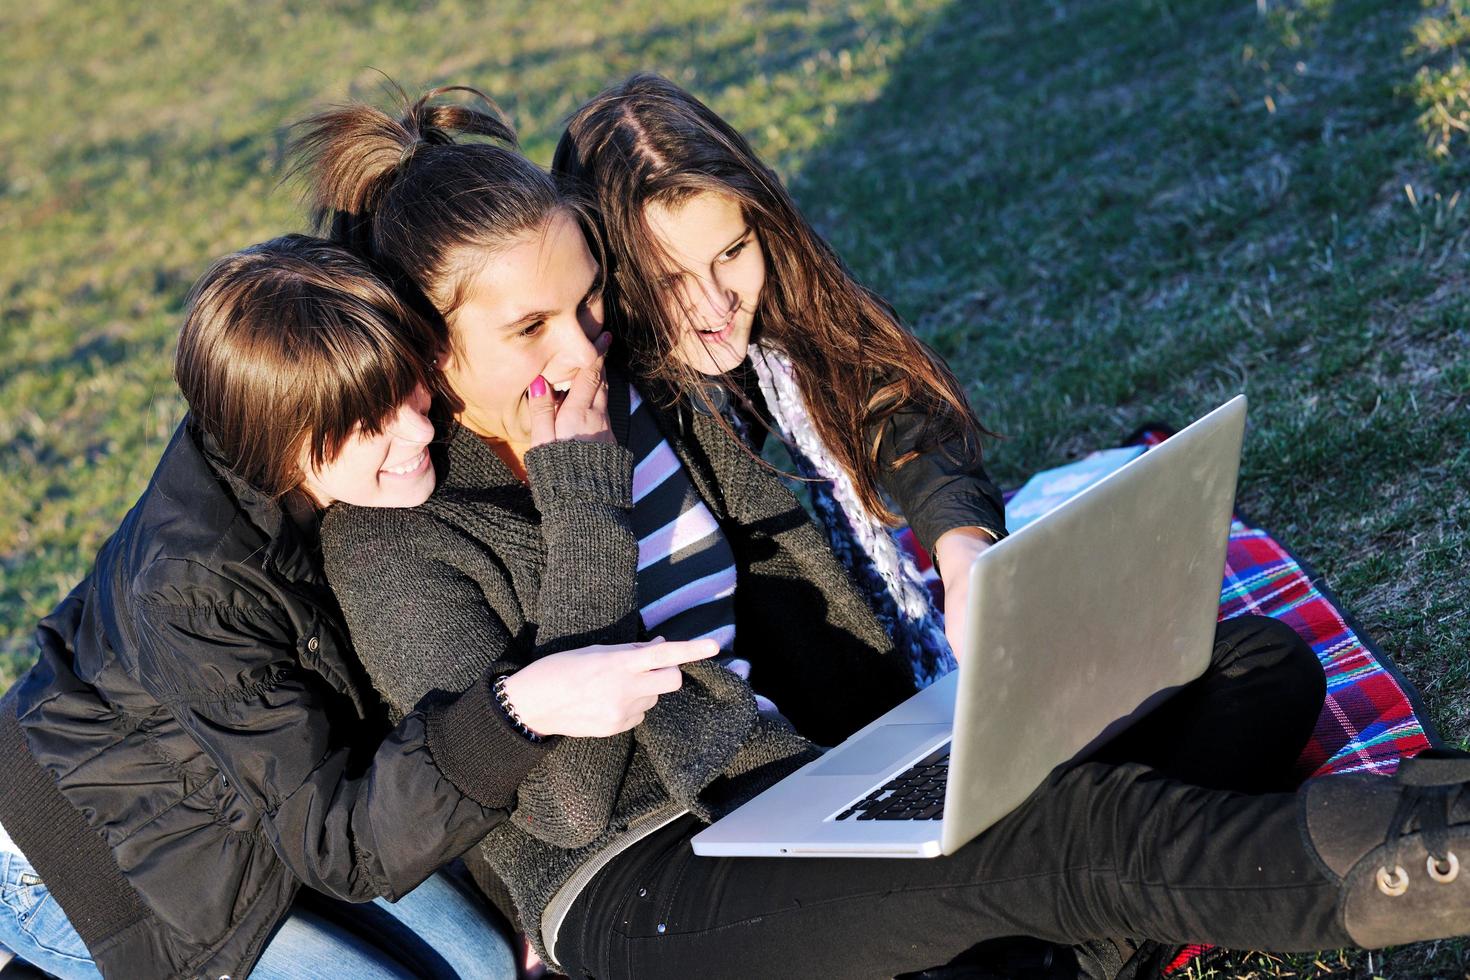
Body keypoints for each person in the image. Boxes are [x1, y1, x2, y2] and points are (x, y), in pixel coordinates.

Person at [293, 82, 1470, 980]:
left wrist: (932, 693)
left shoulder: (643, 394)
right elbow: (562, 806)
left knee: (1253, 664)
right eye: (533, 326)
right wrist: (581, 490)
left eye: (592, 305)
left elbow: (839, 440)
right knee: (1055, 837)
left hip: (806, 777)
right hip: (639, 876)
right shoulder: (392, 538)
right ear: (433, 347)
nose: (583, 348)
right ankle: (1400, 870)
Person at [0, 235, 711, 979]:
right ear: (278, 437)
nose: (419, 429)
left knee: (485, 960)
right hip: (85, 864)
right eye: (370, 422)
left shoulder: (300, 434)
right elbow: (339, 847)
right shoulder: (194, 594)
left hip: (244, 796)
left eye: (407, 385)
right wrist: (517, 711)